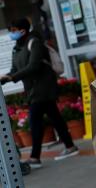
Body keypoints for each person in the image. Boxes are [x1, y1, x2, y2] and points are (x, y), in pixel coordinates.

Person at [1, 18, 79, 167]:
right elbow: (14, 69)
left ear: (23, 30)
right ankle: (70, 146)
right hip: (32, 88)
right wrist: (7, 77)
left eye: (14, 31)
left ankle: (35, 157)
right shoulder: (17, 47)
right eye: (11, 31)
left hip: (43, 87)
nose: (12, 34)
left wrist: (13, 77)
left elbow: (34, 66)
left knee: (35, 120)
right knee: (54, 117)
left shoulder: (34, 42)